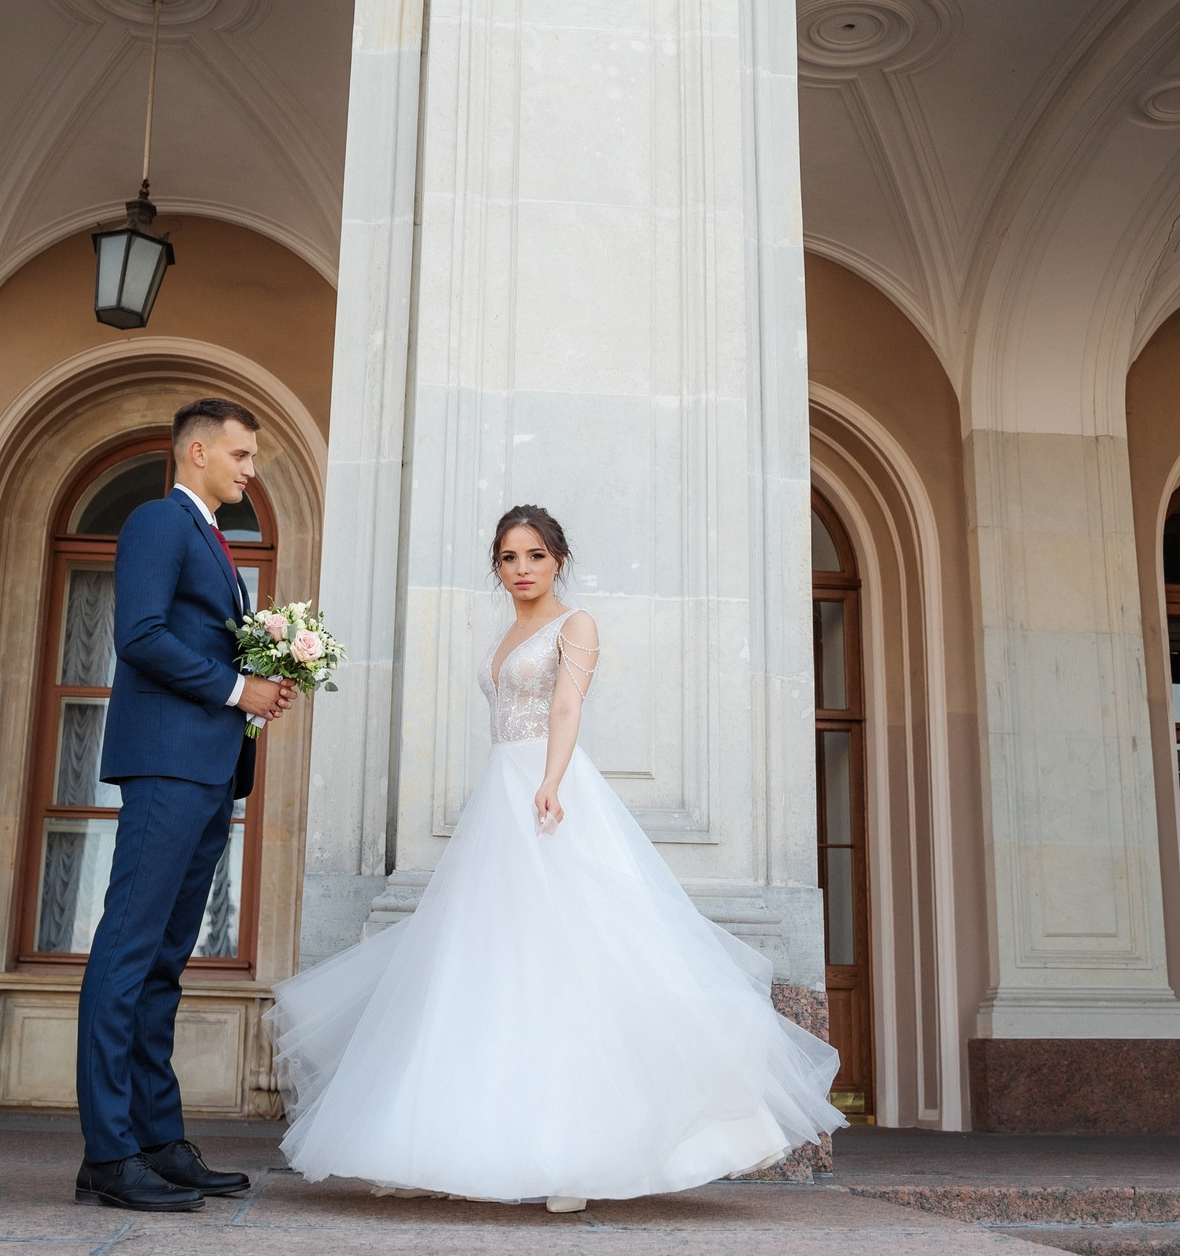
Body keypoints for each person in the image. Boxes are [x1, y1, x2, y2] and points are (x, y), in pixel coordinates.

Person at [265, 504, 843, 1211]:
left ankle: (577, 1159)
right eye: (508, 557)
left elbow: (567, 706)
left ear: (558, 558)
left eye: (534, 554)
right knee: (485, 965)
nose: (522, 568)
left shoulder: (578, 624)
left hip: (548, 791)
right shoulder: (509, 629)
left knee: (571, 959)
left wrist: (551, 779)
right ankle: (461, 1145)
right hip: (498, 795)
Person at [73, 398, 299, 1212]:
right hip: (166, 766)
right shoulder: (158, 522)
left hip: (206, 770)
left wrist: (263, 677)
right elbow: (139, 634)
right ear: (196, 450)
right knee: (129, 950)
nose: (250, 468)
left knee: (165, 958)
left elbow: (194, 636)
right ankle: (108, 1151)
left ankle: (157, 1139)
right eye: (239, 454)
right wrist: (243, 686)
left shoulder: (211, 536)